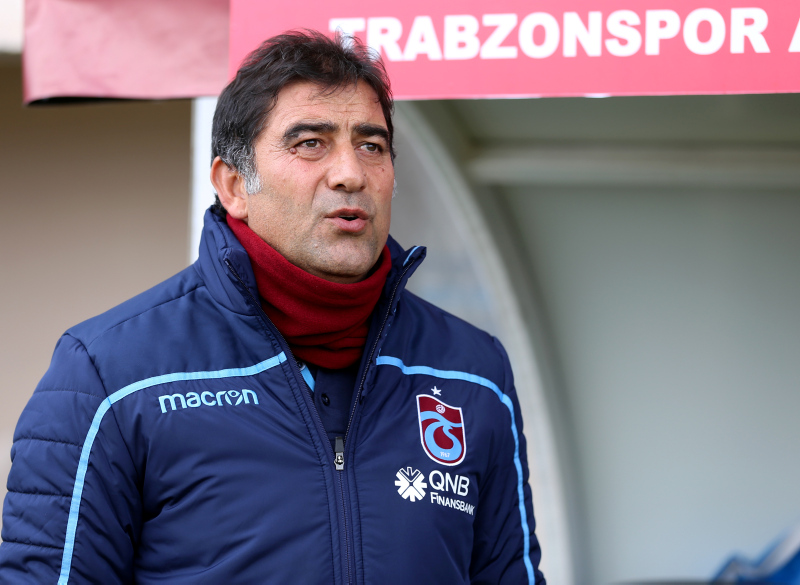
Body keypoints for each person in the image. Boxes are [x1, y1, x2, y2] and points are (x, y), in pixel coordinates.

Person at [0, 30, 545, 584]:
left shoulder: (473, 373)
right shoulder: (110, 374)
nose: (351, 173)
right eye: (310, 143)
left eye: (371, 146)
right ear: (233, 184)